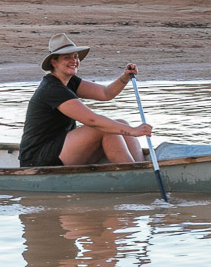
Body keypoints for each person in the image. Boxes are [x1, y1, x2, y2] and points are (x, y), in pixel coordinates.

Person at [19, 33, 152, 168]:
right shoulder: (52, 89)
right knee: (105, 129)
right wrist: (132, 130)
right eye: (67, 57)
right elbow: (92, 120)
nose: (74, 61)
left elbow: (105, 93)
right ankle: (133, 173)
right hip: (37, 159)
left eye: (75, 56)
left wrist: (124, 78)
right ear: (54, 62)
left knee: (120, 123)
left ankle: (142, 168)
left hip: (61, 148)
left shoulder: (69, 81)